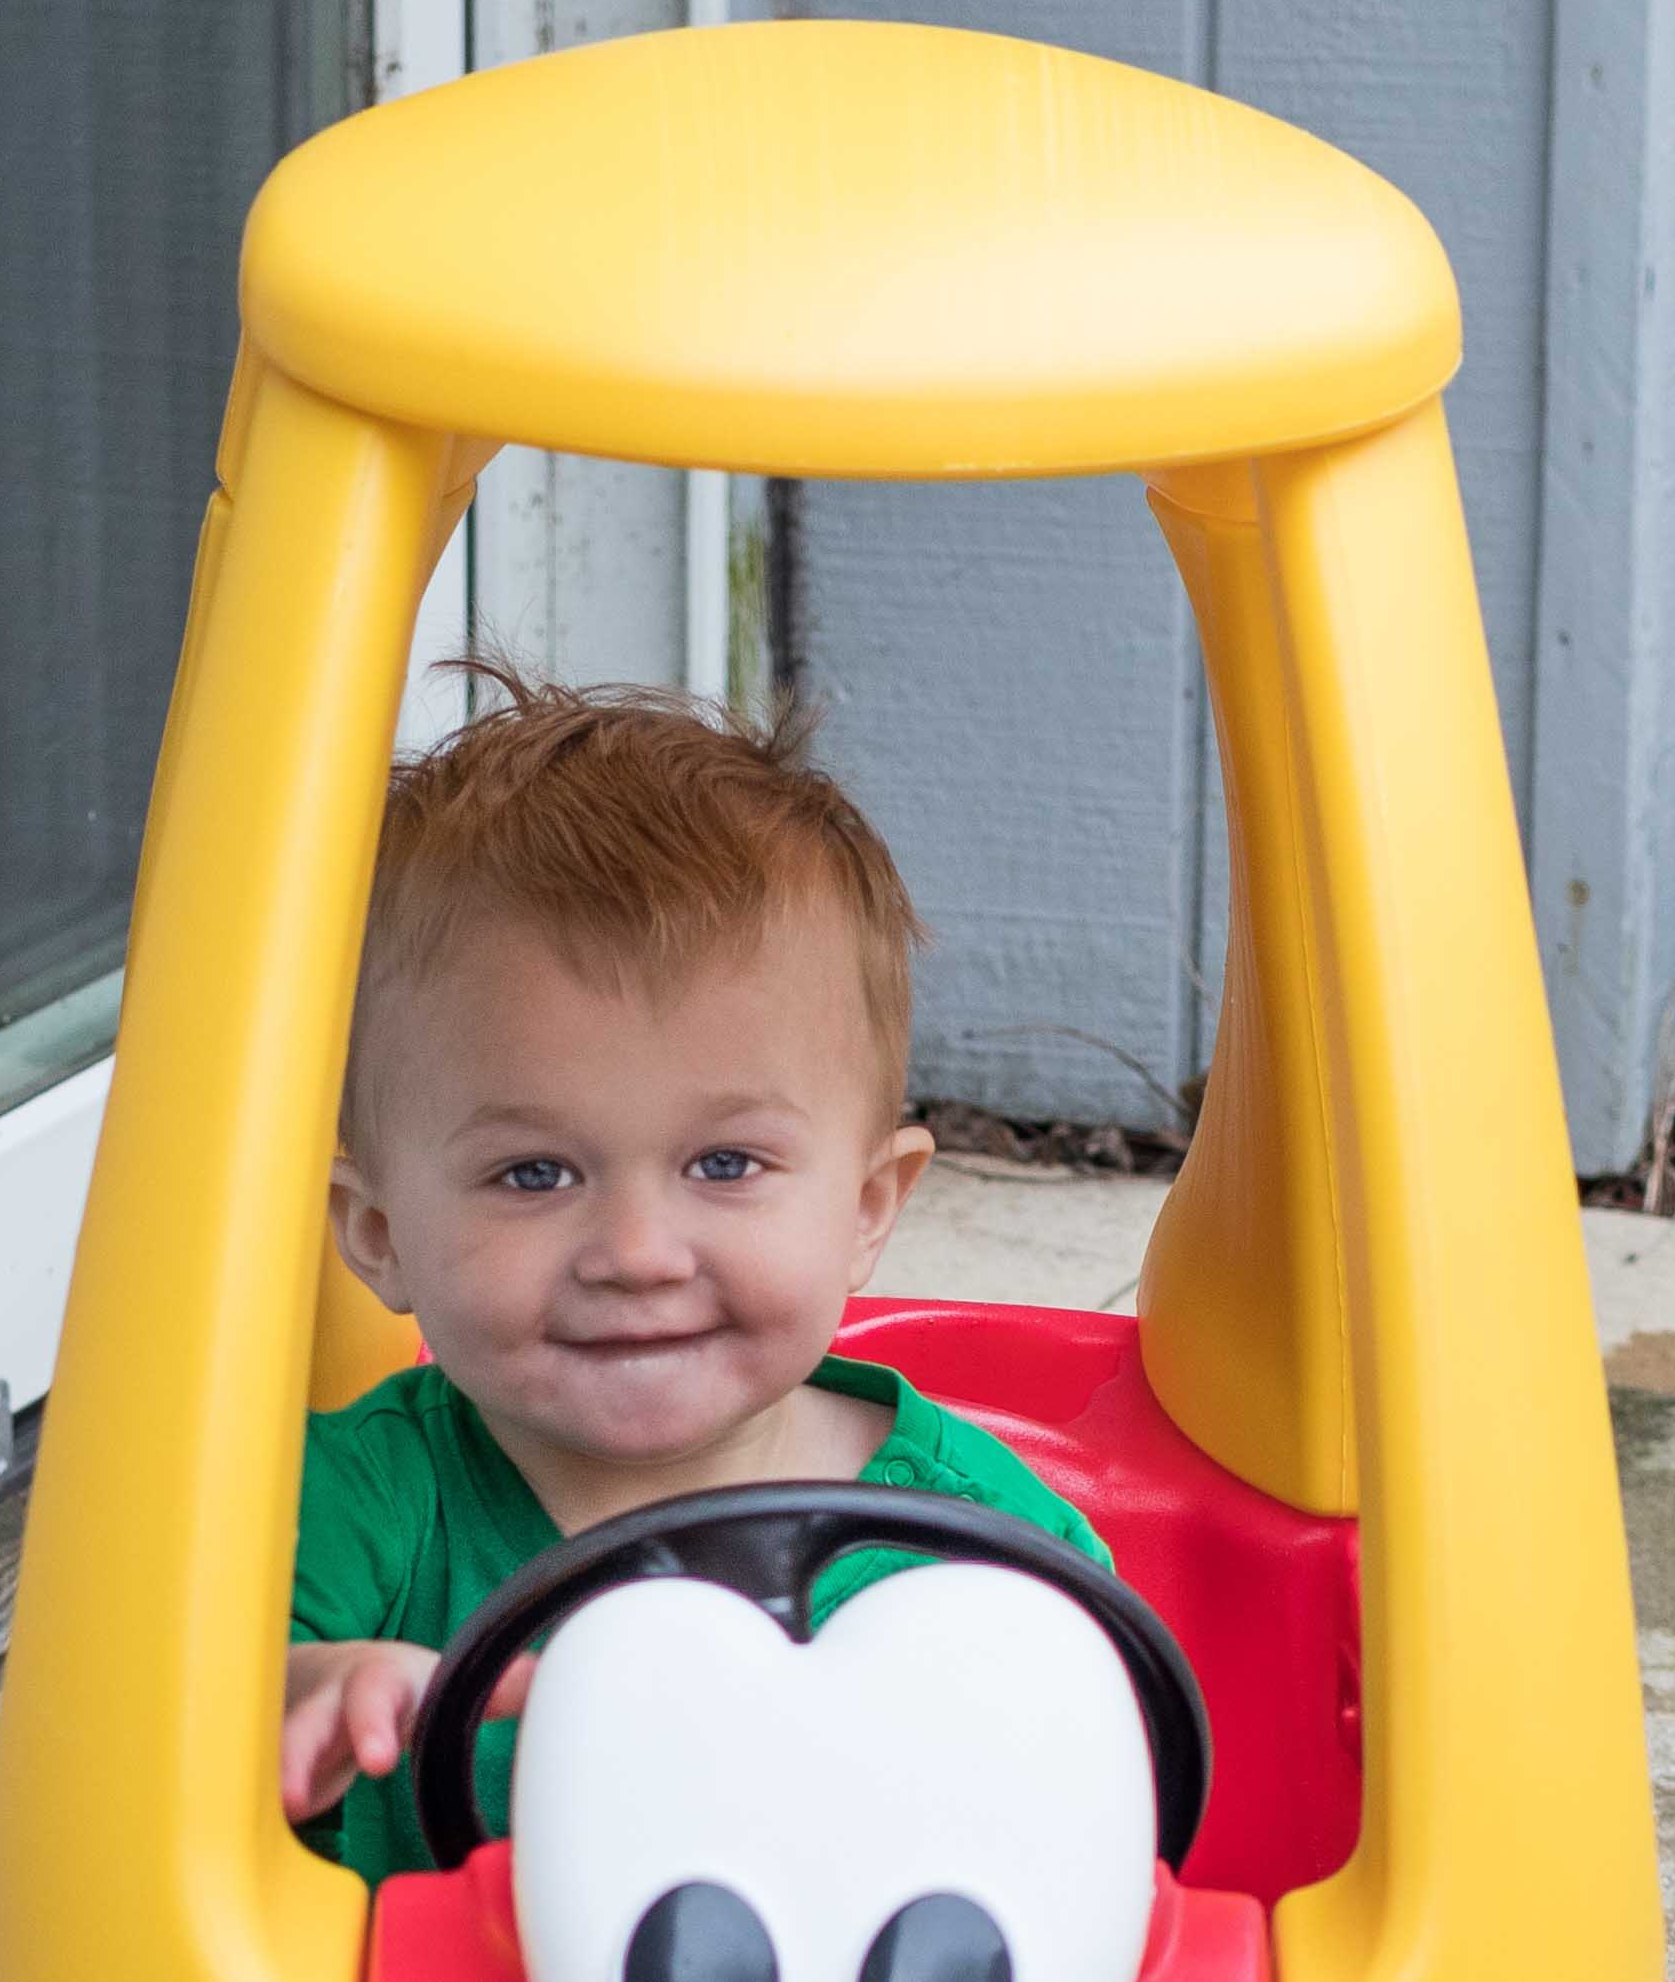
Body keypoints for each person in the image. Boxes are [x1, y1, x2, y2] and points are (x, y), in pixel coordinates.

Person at [284, 676, 1109, 1880]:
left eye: (723, 1163)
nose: (634, 1253)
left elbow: (1094, 1818)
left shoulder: (984, 1546)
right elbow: (159, 1712)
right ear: (376, 1234)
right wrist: (307, 1689)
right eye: (531, 1173)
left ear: (867, 1207)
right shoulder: (361, 1511)